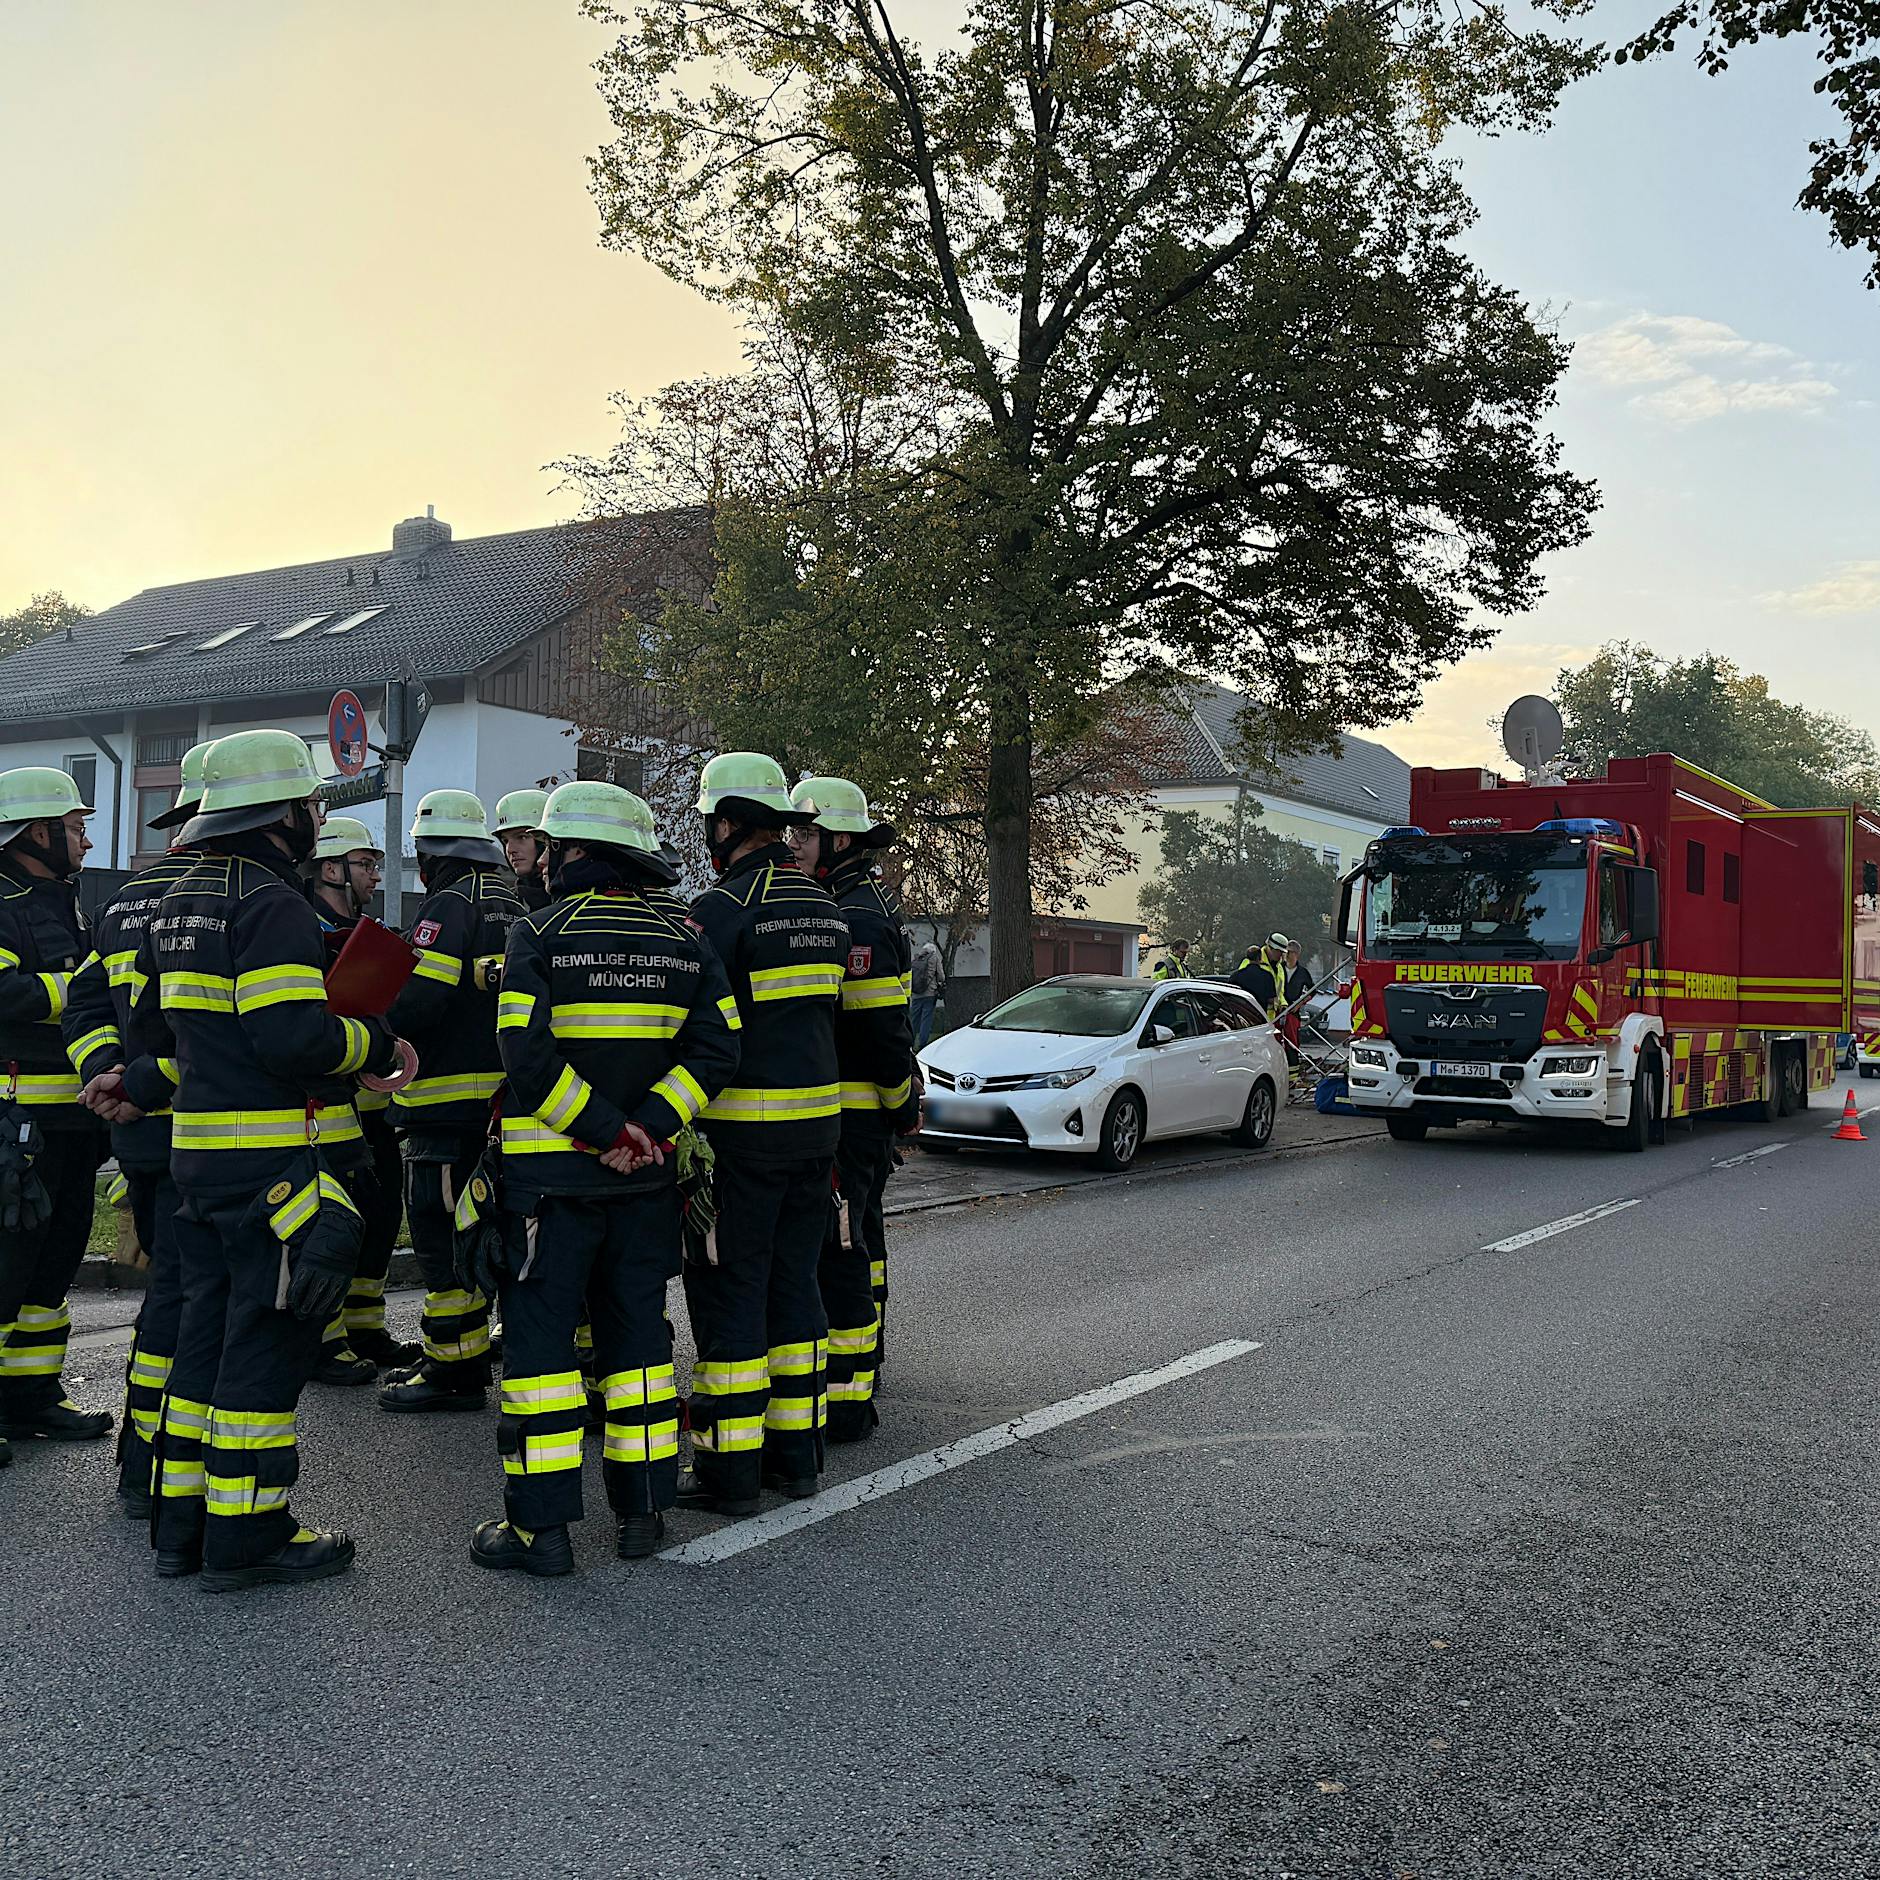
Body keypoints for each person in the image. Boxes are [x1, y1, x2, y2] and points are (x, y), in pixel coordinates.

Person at [125, 729, 413, 1589]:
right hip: (269, 1164)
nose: (316, 817)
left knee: (203, 1343)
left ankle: (182, 1527)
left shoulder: (179, 898)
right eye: (310, 804)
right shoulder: (270, 903)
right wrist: (371, 1040)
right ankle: (248, 1533)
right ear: (282, 813)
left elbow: (180, 1033)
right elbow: (291, 1036)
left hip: (197, 1162)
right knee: (266, 1340)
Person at [470, 781, 739, 1575]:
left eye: (547, 848)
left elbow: (524, 1056)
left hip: (547, 1192)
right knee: (641, 1351)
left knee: (543, 1362)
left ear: (569, 852)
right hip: (643, 1187)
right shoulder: (685, 937)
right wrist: (644, 1130)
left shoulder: (537, 934)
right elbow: (720, 1051)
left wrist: (598, 1132)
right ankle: (644, 1517)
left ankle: (541, 1536)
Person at [682, 752, 847, 1515]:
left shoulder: (718, 913)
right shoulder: (824, 908)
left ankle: (731, 1472)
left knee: (730, 1293)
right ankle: (798, 1455)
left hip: (740, 1139)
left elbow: (698, 1032)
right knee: (795, 1288)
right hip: (818, 1134)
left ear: (725, 824)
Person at [61, 740, 212, 1508]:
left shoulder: (123, 902)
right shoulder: (233, 896)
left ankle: (142, 1459)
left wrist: (105, 1077)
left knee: (168, 1299)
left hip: (145, 1136)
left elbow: (88, 1007)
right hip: (213, 1137)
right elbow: (228, 1039)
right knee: (203, 1304)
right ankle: (183, 1472)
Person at [378, 791, 525, 1414]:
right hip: (502, 1102)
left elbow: (421, 1000)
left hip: (443, 1105)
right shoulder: (514, 901)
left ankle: (453, 1367)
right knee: (495, 1228)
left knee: (442, 1236)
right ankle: (489, 1346)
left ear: (431, 852)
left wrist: (372, 1020)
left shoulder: (448, 903)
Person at [788, 777, 918, 1443]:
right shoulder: (842, 903)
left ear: (839, 841)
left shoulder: (858, 916)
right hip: (846, 1114)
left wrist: (902, 1103)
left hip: (853, 1114)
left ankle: (850, 1392)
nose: (794, 843)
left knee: (847, 1247)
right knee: (856, 1243)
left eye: (806, 833)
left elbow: (881, 1033)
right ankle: (859, 1367)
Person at [0, 766, 109, 1454]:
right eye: (76, 828)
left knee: (54, 1264)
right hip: (15, 1125)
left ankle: (31, 1396)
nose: (86, 842)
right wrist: (81, 989)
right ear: (37, 832)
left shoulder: (62, 897)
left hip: (70, 1121)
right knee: (6, 1265)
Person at [300, 815, 414, 1379]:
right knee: (334, 1225)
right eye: (365, 864)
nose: (374, 874)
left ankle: (366, 1325)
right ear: (330, 868)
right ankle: (323, 1340)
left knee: (379, 1217)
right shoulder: (302, 930)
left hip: (372, 1110)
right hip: (325, 1111)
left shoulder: (364, 931)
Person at [492, 788, 551, 913]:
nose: (510, 849)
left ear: (545, 841)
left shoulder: (572, 900)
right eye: (505, 841)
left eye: (521, 837)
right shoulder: (505, 904)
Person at [1231, 932, 1292, 1018]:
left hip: (1271, 1018)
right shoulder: (1249, 962)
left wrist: (1283, 1004)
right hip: (1251, 1015)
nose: (1281, 955)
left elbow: (1280, 992)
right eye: (1279, 951)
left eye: (1283, 952)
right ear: (1269, 948)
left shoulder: (1279, 968)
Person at [908, 931, 945, 1048]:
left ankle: (910, 1043)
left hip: (915, 994)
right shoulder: (934, 958)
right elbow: (941, 976)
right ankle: (922, 1045)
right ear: (933, 951)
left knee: (914, 1020)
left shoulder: (916, 959)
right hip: (929, 994)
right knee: (926, 1019)